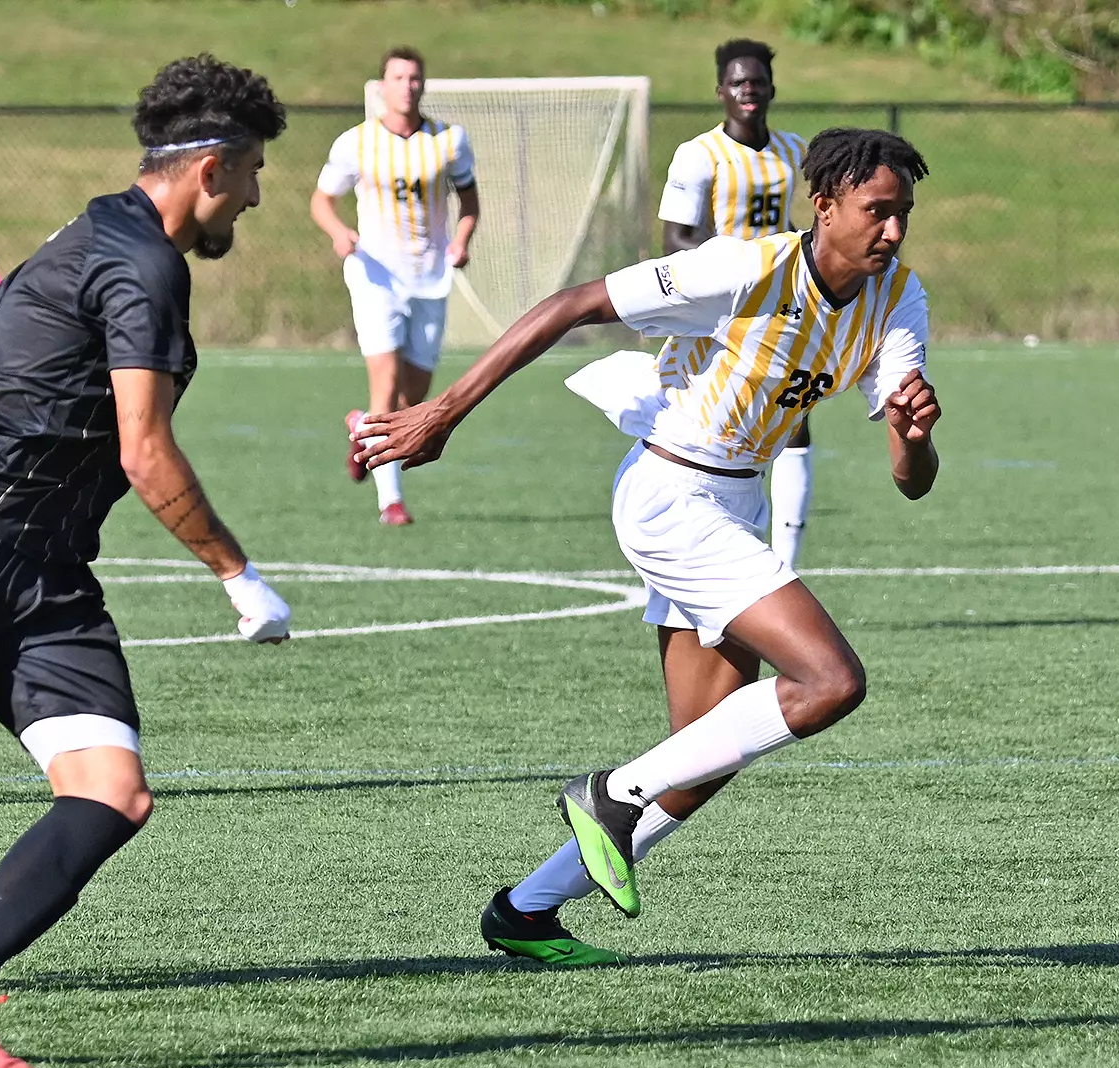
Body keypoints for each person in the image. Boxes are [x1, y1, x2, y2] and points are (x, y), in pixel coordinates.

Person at [356, 129, 939, 965]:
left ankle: (525, 910)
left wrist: (913, 436)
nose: (893, 231)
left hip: (734, 504)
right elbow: (571, 306)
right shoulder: (746, 268)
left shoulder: (898, 299)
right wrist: (443, 412)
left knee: (705, 754)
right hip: (671, 495)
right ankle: (611, 793)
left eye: (903, 215)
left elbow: (912, 479)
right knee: (830, 682)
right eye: (877, 212)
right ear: (825, 207)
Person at [0, 55, 292, 1068]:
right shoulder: (137, 262)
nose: (254, 194)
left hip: (40, 577)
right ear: (212, 167)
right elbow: (143, 449)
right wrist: (237, 574)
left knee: (110, 792)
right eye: (251, 173)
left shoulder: (105, 231)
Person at [659, 39, 816, 570]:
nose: (749, 90)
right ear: (721, 91)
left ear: (773, 88)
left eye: (758, 81)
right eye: (738, 82)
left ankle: (787, 565)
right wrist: (735, 269)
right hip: (720, 308)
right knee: (705, 422)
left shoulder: (794, 150)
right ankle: (691, 538)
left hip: (781, 306)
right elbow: (676, 237)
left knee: (796, 415)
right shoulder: (698, 153)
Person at [310, 45, 479, 526]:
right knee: (384, 387)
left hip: (428, 277)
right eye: (398, 78)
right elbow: (322, 202)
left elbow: (470, 205)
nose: (407, 86)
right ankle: (392, 503)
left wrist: (462, 240)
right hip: (375, 277)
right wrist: (339, 232)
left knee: (413, 402)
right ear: (381, 87)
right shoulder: (356, 142)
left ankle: (362, 429)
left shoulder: (449, 141)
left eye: (415, 78)